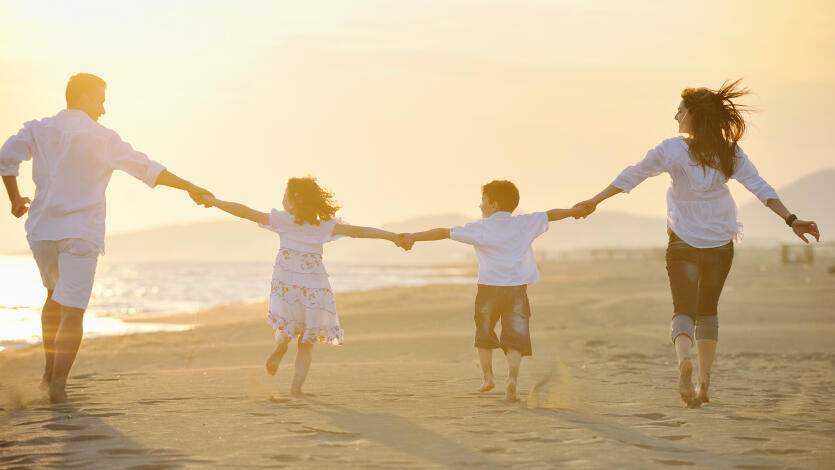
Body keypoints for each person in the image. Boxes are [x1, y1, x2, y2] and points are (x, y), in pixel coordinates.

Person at [573, 79, 820, 407]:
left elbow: (632, 175)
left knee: (683, 309)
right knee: (708, 311)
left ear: (693, 117)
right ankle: (704, 383)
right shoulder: (729, 152)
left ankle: (683, 361)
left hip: (683, 241)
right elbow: (760, 188)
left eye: (680, 111)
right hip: (719, 242)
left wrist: (594, 200)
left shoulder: (671, 149)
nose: (676, 117)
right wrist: (791, 220)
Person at [0, 73, 213, 403]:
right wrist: (191, 187)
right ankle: (57, 384)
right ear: (84, 98)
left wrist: (14, 198)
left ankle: (47, 374)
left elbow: (5, 158)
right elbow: (148, 168)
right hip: (81, 232)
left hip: (42, 230)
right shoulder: (101, 137)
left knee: (53, 296)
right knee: (72, 309)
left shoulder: (38, 128)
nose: (103, 108)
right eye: (100, 99)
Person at [197, 176, 411, 396]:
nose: (282, 199)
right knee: (307, 343)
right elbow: (360, 231)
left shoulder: (282, 221)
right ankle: (296, 389)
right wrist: (393, 236)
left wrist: (214, 201)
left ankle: (280, 347)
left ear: (291, 201)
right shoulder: (325, 225)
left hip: (287, 285)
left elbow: (245, 211)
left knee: (286, 324)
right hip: (315, 287)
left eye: (284, 195)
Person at [400, 180, 591, 402]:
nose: (480, 205)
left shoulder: (478, 228)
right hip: (517, 291)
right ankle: (512, 380)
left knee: (484, 334)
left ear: (494, 204)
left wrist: (412, 237)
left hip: (488, 290)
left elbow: (443, 232)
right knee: (515, 337)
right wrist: (576, 211)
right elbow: (552, 214)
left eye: (483, 201)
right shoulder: (525, 223)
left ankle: (488, 378)